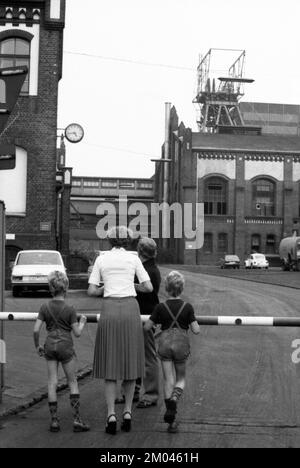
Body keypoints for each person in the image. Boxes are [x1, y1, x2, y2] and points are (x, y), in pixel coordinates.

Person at [88, 226, 153, 435]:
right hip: (129, 309)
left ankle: (110, 415)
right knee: (130, 362)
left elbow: (91, 290)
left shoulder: (101, 259)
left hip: (109, 309)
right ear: (128, 242)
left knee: (110, 364)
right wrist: (131, 286)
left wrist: (105, 287)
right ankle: (127, 412)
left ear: (109, 242)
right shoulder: (134, 259)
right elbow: (149, 287)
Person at [33, 271, 90, 433]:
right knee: (72, 382)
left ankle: (54, 421)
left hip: (50, 345)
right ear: (66, 288)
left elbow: (36, 329)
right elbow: (77, 333)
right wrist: (83, 322)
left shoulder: (44, 307)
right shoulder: (70, 309)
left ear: (51, 288)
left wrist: (37, 345)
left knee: (52, 382)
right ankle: (77, 420)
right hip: (66, 346)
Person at [144, 271, 200, 433]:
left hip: (165, 344)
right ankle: (175, 397)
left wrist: (156, 323)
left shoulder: (160, 307)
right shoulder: (187, 307)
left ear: (167, 288)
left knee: (168, 379)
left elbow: (147, 326)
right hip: (181, 345)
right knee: (180, 378)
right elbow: (195, 330)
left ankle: (171, 418)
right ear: (182, 288)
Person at [135, 237, 161, 408]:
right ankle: (135, 389)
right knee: (138, 355)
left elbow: (147, 291)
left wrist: (129, 284)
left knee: (148, 356)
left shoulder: (146, 271)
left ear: (140, 252)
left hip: (145, 317)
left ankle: (151, 394)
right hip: (142, 315)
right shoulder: (151, 268)